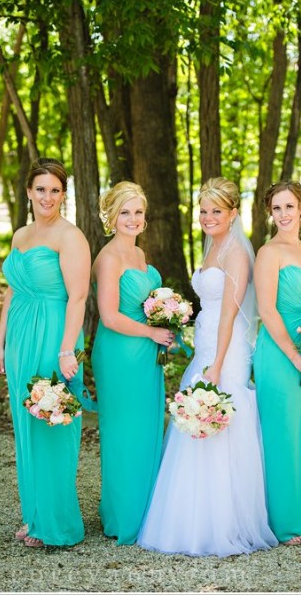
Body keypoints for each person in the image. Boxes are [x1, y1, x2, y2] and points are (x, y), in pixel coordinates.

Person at [137, 177, 277, 556]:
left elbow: (231, 314)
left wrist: (215, 364)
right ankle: (189, 518)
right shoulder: (212, 246)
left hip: (225, 350)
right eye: (203, 211)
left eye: (216, 211)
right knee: (195, 423)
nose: (208, 217)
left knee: (221, 421)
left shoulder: (236, 254)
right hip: (206, 344)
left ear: (233, 214)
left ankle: (224, 523)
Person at [0, 157, 89, 547]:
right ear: (29, 192)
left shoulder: (70, 237)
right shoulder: (20, 235)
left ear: (63, 194)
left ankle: (57, 523)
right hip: (19, 336)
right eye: (40, 189)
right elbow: (12, 292)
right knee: (26, 426)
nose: (47, 196)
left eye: (55, 190)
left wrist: (67, 350)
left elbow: (79, 297)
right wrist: (0, 344)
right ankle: (34, 515)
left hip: (54, 335)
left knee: (51, 423)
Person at [91, 181, 173, 545]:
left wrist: (166, 324)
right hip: (120, 354)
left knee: (146, 430)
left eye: (138, 212)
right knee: (124, 433)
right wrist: (153, 333)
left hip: (145, 356)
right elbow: (109, 316)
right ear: (111, 216)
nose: (133, 218)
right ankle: (124, 517)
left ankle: (147, 513)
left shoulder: (140, 257)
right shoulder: (108, 258)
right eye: (125, 212)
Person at [253, 181, 301, 546]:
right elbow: (266, 310)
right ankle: (282, 523)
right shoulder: (268, 253)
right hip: (280, 353)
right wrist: (296, 357)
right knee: (281, 433)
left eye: (289, 206)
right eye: (276, 208)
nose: (283, 214)